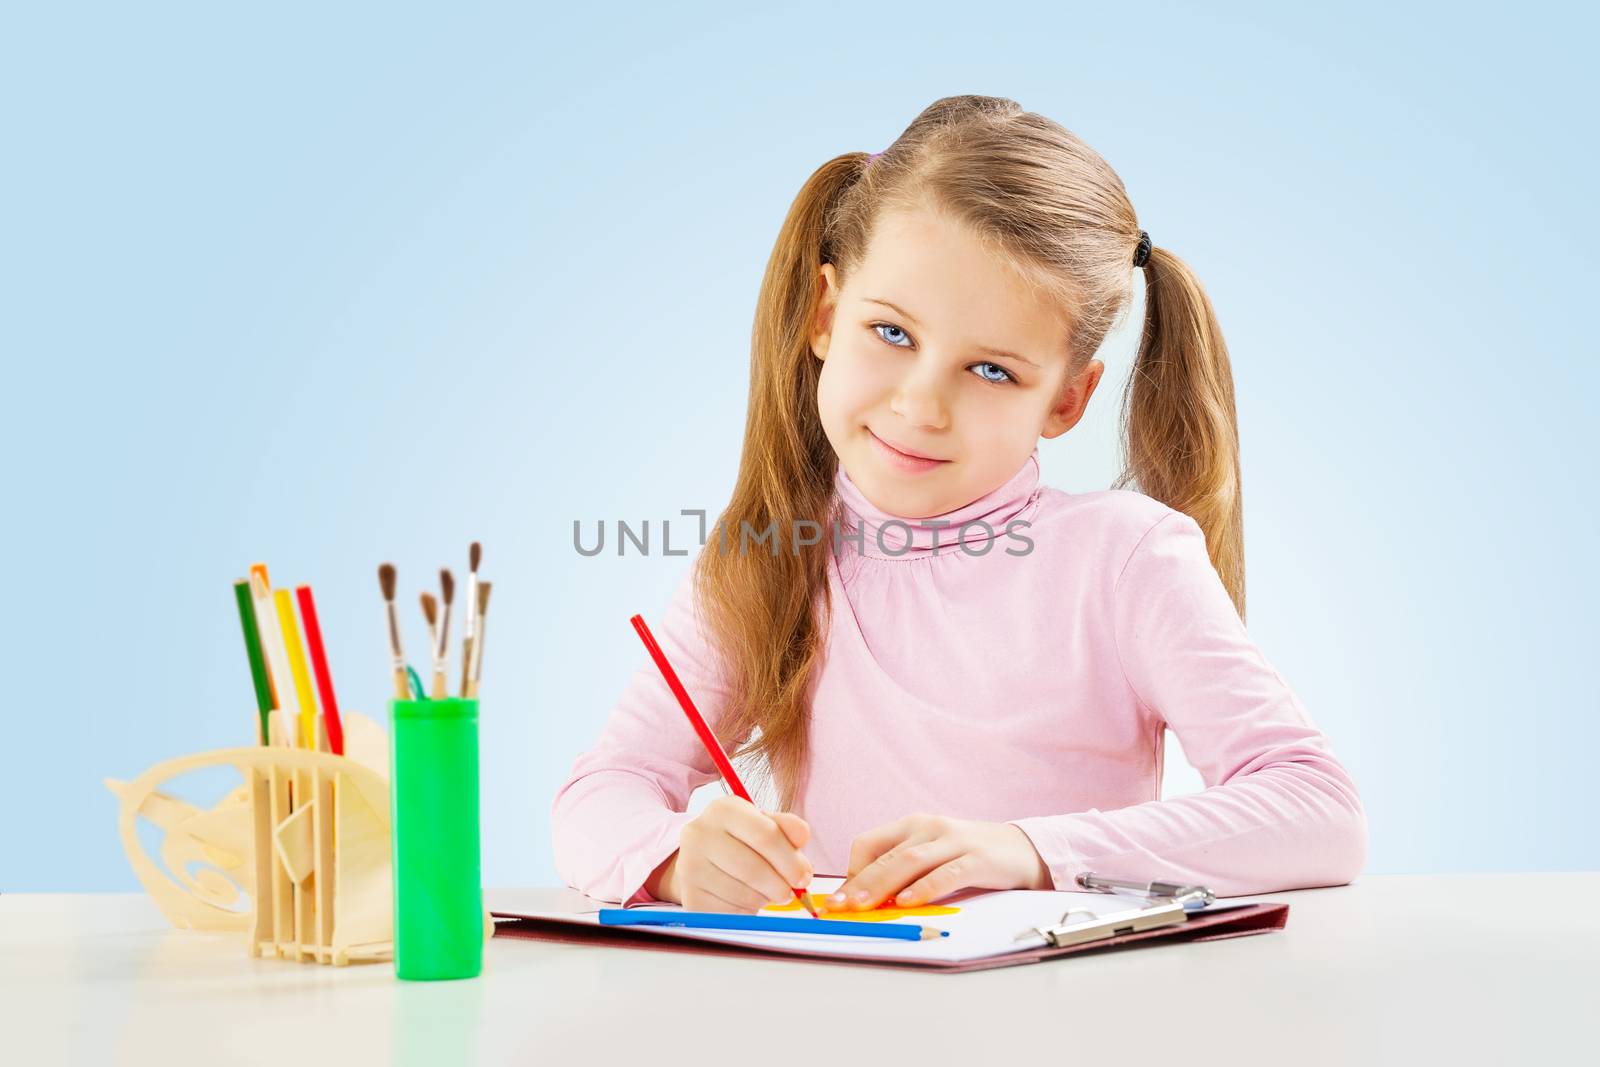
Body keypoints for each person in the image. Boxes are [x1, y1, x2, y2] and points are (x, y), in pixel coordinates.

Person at [551, 94, 1367, 914]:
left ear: (1067, 400)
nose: (920, 406)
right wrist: (672, 862)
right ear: (826, 314)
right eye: (893, 333)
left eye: (992, 370)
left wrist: (1031, 849)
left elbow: (1320, 811)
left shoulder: (1125, 560)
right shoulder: (765, 556)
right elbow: (602, 791)